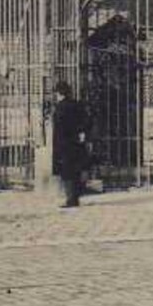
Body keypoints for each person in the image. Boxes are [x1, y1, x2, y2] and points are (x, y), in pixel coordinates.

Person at [51, 80, 90, 209]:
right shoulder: (77, 105)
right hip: (77, 142)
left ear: (59, 93)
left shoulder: (60, 108)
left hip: (64, 143)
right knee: (76, 171)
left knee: (67, 172)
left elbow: (58, 129)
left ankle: (71, 199)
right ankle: (75, 197)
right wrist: (81, 133)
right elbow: (86, 121)